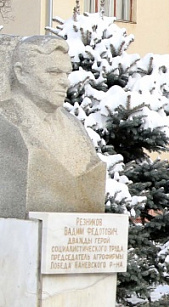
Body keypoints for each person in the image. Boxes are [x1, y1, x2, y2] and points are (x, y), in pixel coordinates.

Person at [0, 35, 106, 218]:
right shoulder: (7, 119)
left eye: (66, 74)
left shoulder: (74, 125)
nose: (65, 81)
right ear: (21, 73)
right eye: (54, 72)